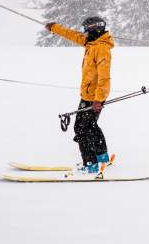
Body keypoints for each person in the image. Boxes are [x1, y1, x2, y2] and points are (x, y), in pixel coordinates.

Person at [44, 16, 114, 177]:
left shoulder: (101, 49)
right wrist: (54, 27)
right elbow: (72, 35)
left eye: (85, 29)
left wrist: (98, 99)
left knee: (81, 129)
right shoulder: (91, 43)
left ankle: (90, 165)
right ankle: (102, 157)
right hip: (88, 95)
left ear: (93, 29)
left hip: (94, 97)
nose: (83, 33)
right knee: (90, 126)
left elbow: (104, 78)